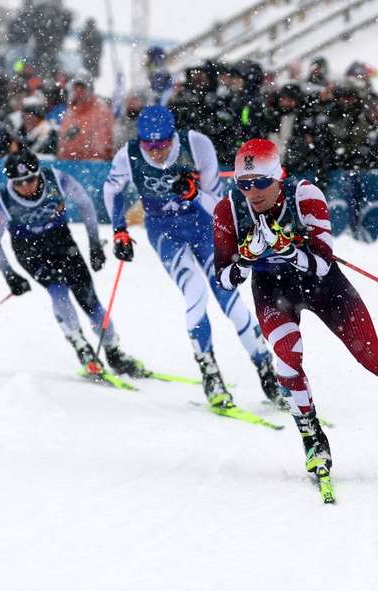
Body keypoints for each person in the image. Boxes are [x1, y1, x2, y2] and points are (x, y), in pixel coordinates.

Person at [213, 138, 378, 488]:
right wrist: (245, 259)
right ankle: (314, 442)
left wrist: (289, 251)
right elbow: (224, 280)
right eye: (245, 184)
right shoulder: (228, 210)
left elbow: (321, 265)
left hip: (324, 288)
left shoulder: (306, 196)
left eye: (261, 182)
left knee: (373, 356)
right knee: (288, 359)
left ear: (279, 177)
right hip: (272, 290)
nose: (253, 192)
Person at [103, 105, 285, 409]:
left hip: (202, 227)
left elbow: (218, 206)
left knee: (228, 295)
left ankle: (266, 371)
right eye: (150, 145)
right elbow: (112, 190)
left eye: (162, 145)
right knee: (195, 292)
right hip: (165, 232)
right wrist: (119, 230)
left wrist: (194, 193)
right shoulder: (129, 154)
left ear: (173, 136)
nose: (156, 152)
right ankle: (210, 374)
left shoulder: (197, 144)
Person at [0, 149, 146, 375]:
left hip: (60, 241)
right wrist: (9, 273)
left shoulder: (56, 179)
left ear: (39, 173)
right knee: (57, 289)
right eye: (18, 182)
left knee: (89, 299)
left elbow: (86, 204)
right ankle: (81, 346)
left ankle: (113, 350)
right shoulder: (4, 199)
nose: (25, 187)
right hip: (29, 250)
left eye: (30, 179)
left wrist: (94, 245)